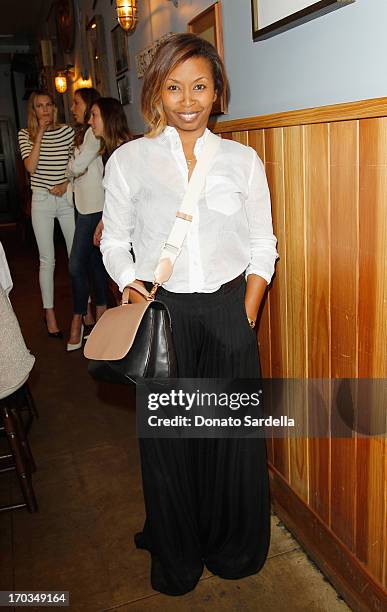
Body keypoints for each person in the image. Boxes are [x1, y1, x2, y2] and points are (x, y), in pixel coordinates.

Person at [100, 33, 278, 596]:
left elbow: (263, 244)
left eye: (199, 85)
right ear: (155, 92)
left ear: (216, 90)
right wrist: (133, 290)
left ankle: (234, 550)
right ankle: (177, 558)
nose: (187, 100)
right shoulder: (129, 161)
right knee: (170, 448)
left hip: (228, 313)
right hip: (164, 319)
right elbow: (114, 242)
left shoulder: (242, 160)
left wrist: (246, 312)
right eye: (174, 87)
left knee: (231, 444)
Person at [18, 91, 75, 337]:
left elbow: (76, 165)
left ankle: (85, 307)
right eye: (40, 106)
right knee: (47, 260)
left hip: (66, 197)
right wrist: (39, 133)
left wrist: (66, 184)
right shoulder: (25, 134)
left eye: (49, 105)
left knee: (77, 256)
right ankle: (49, 313)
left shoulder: (67, 132)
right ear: (33, 111)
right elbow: (30, 167)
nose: (45, 110)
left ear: (54, 107)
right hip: (41, 199)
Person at [66, 88, 108, 351]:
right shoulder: (85, 133)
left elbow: (75, 167)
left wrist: (73, 170)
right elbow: (75, 169)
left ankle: (78, 317)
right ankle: (102, 317)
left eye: (77, 103)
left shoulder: (94, 133)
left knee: (75, 265)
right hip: (83, 205)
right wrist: (73, 171)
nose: (73, 108)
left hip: (94, 207)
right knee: (94, 264)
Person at [88, 97, 132, 248]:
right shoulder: (107, 152)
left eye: (94, 115)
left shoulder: (126, 152)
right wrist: (104, 221)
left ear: (107, 117)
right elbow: (113, 196)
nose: (89, 121)